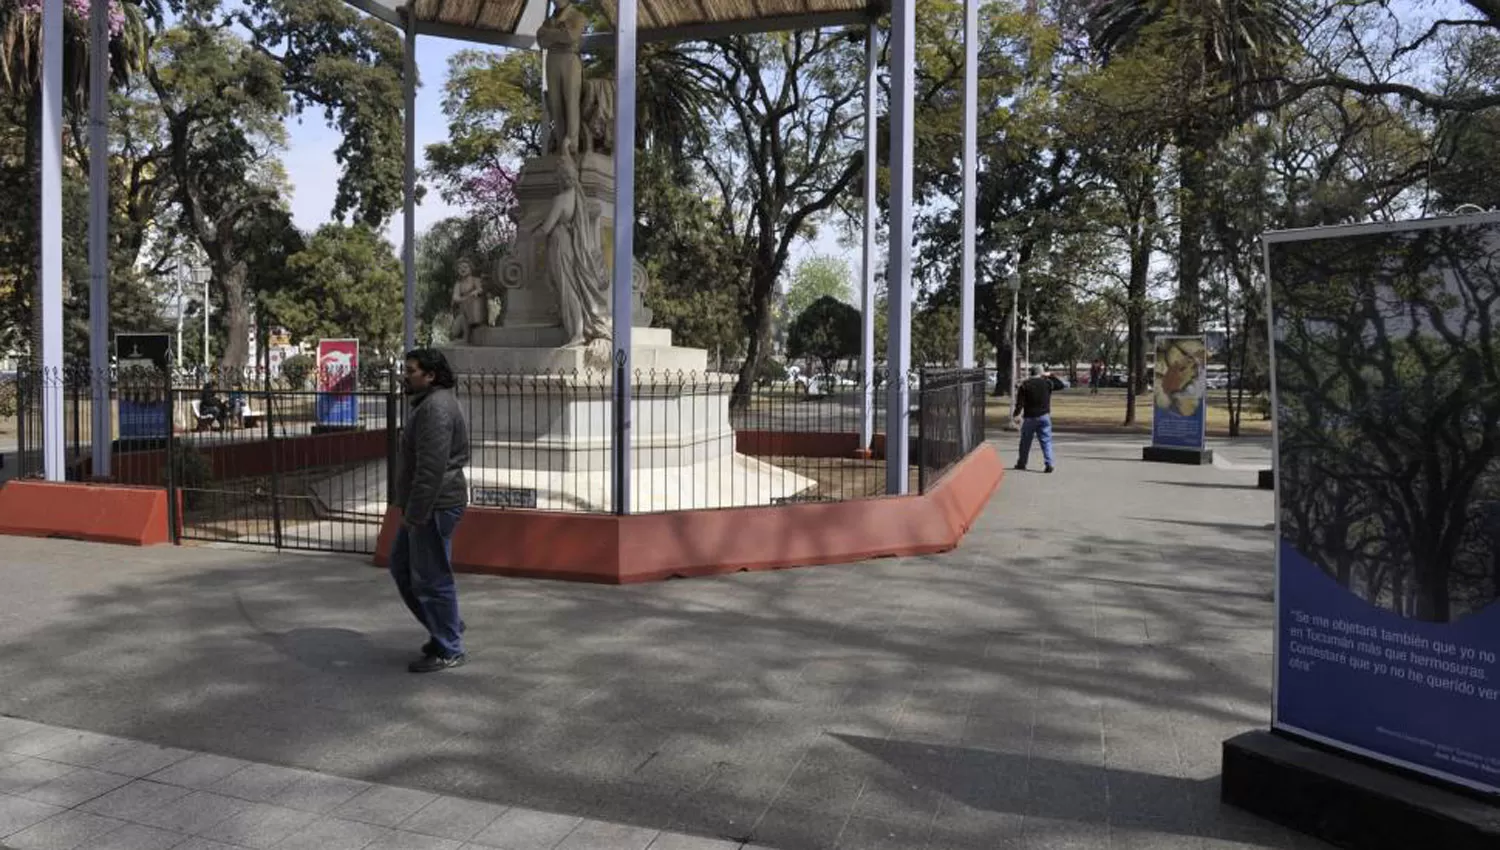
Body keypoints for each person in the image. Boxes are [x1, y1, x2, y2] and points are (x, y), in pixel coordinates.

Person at [390, 348, 471, 673]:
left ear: (430, 375)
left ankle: (449, 646)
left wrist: (416, 513)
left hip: (434, 506)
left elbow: (431, 468)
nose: (405, 376)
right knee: (403, 567)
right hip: (426, 505)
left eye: (411, 371)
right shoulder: (429, 405)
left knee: (432, 577)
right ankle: (446, 627)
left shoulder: (436, 409)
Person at [1012, 364, 1055, 473]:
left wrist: (1016, 414)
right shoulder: (1047, 383)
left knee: (1025, 442)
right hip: (1044, 416)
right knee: (1046, 441)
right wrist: (1050, 375)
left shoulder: (1025, 385)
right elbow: (1060, 385)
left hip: (1030, 417)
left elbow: (1020, 403)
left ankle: (1022, 462)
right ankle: (1049, 463)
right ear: (1041, 373)